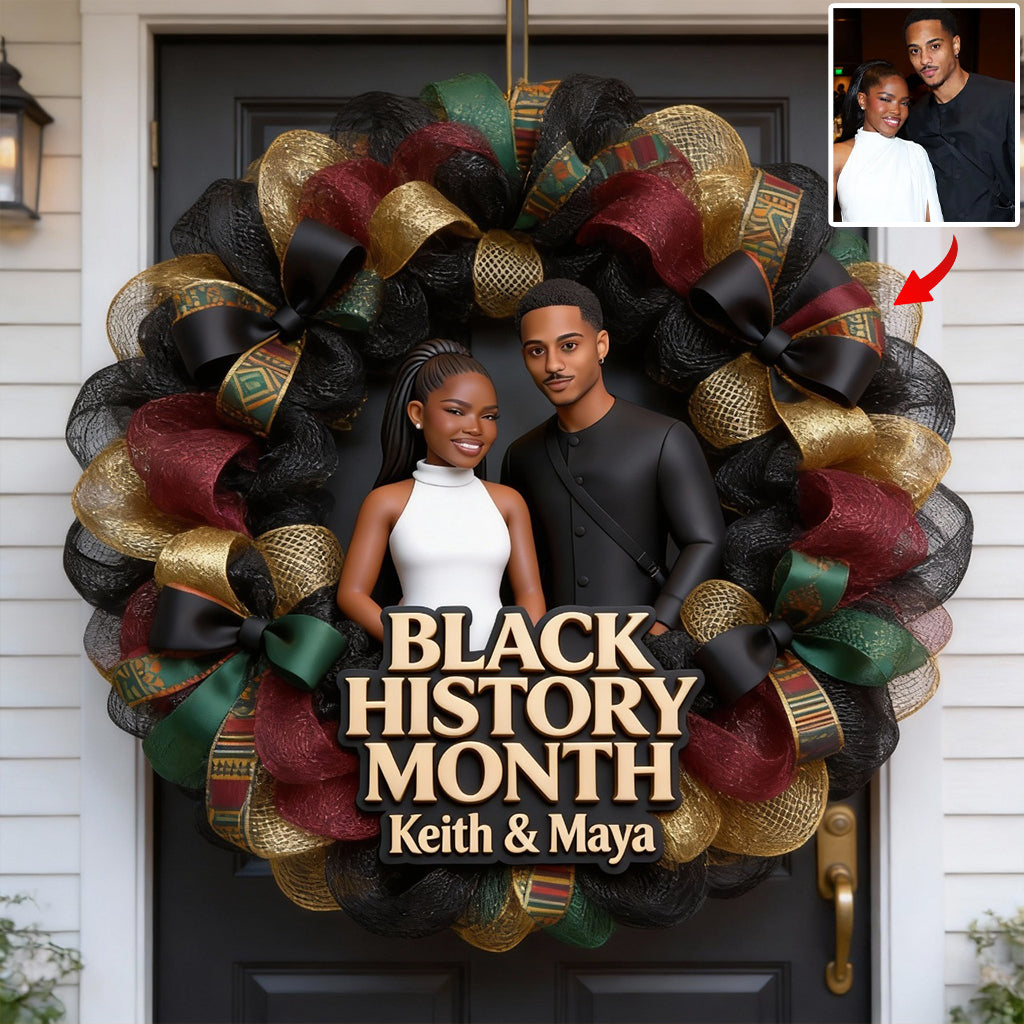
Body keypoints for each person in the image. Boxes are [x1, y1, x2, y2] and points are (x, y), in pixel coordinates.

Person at [501, 279, 724, 636]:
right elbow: (520, 565)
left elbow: (705, 542)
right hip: (550, 656)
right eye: (536, 351)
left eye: (569, 346)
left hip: (642, 649)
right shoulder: (520, 457)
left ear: (601, 345)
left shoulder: (665, 437)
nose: (553, 364)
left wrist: (659, 626)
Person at [337, 339, 545, 651]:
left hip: (500, 669)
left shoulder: (508, 503)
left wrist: (516, 653)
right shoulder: (386, 502)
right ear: (417, 413)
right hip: (418, 669)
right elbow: (352, 595)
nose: (475, 428)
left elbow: (530, 593)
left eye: (489, 416)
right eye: (456, 411)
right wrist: (411, 646)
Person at [901, 8, 1015, 222]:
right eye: (915, 51)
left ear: (955, 45)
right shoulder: (915, 119)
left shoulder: (1005, 99)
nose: (925, 59)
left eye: (934, 46)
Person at [833, 60, 943, 223]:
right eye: (886, 99)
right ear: (862, 100)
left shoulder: (916, 153)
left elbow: (934, 222)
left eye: (904, 103)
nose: (896, 110)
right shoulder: (838, 155)